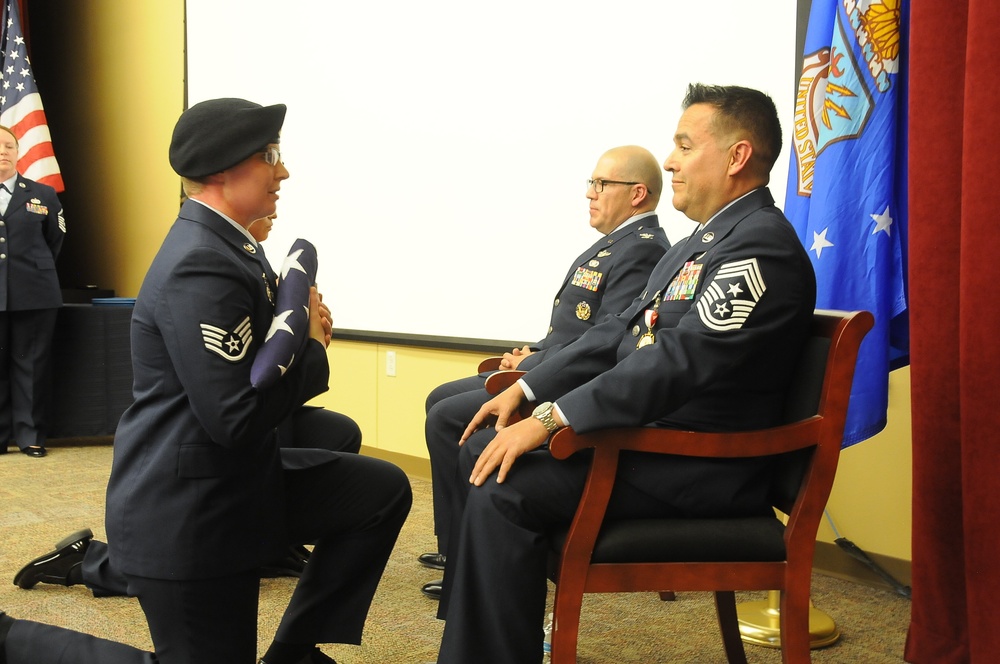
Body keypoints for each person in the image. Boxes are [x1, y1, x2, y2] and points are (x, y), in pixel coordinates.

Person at [0, 98, 413, 664]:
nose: (283, 171)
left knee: (378, 491)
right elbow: (236, 418)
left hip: (233, 483)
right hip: (187, 508)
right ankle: (10, 638)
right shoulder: (201, 261)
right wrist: (312, 350)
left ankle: (296, 652)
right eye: (271, 156)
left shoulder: (231, 245)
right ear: (221, 170)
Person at [433, 83, 818, 663]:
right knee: (484, 452)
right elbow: (619, 332)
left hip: (697, 465)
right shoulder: (700, 244)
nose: (670, 161)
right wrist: (529, 388)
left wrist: (550, 419)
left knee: (501, 482)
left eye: (686, 146)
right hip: (653, 446)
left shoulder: (760, 249)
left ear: (737, 157)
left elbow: (677, 361)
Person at [11, 211, 364, 595]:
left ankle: (276, 546)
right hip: (198, 436)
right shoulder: (205, 262)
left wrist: (304, 323)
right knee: (177, 566)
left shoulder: (250, 253)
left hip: (255, 416)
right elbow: (234, 389)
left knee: (341, 435)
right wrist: (309, 345)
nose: (276, 195)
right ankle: (89, 562)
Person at [419, 145, 671, 599]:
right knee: (440, 399)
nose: (590, 194)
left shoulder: (642, 250)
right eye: (590, 183)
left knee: (449, 417)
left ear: (637, 194)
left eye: (602, 184)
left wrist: (533, 367)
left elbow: (610, 339)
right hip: (551, 368)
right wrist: (533, 353)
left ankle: (465, 551)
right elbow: (580, 327)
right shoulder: (615, 242)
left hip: (569, 383)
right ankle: (457, 541)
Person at [0, 125, 66, 458]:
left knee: (32, 368)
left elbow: (55, 240)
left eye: (9, 145)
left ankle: (31, 437)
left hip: (35, 293)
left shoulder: (43, 194)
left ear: (18, 151)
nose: (3, 151)